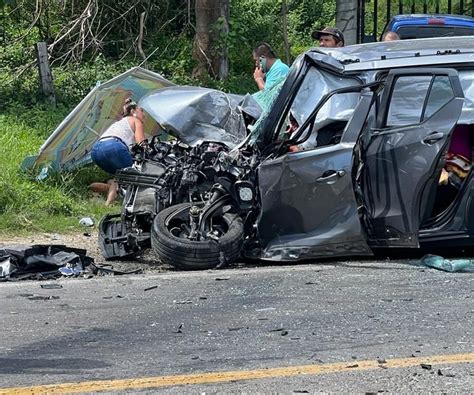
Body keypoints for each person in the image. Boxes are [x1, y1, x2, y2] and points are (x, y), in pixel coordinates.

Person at [90, 98, 146, 205]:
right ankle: (109, 203)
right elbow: (142, 144)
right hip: (113, 147)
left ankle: (105, 187)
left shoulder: (120, 122)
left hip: (96, 151)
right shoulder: (136, 120)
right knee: (131, 174)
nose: (144, 115)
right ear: (133, 111)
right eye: (141, 111)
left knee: (119, 176)